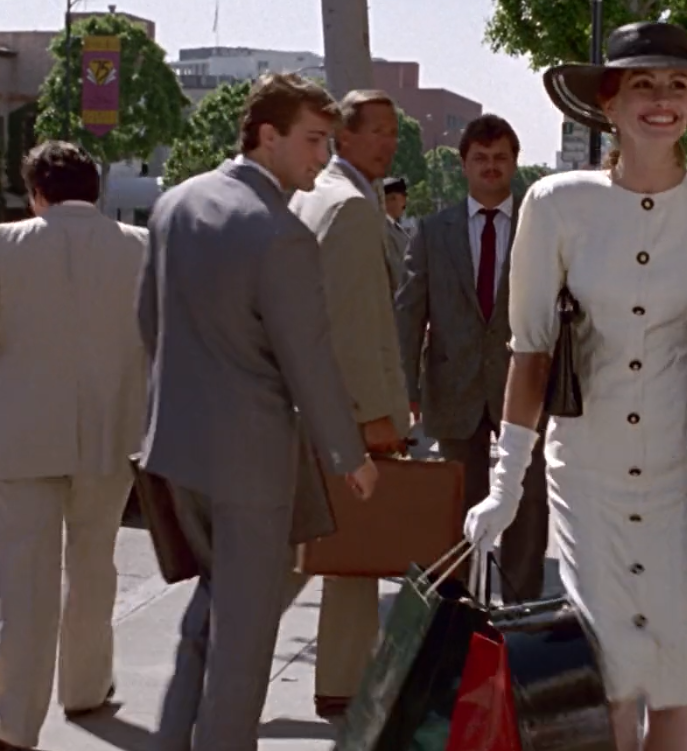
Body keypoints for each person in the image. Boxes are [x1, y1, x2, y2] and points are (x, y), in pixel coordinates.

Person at [460, 21, 687, 750]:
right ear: (608, 103)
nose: (662, 100)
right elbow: (532, 351)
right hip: (590, 476)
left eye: (677, 85)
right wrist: (506, 485)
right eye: (643, 84)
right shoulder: (555, 204)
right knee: (605, 680)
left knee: (677, 678)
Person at [139, 73, 377, 751]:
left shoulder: (174, 204)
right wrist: (349, 454)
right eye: (313, 140)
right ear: (267, 136)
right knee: (242, 642)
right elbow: (309, 357)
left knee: (209, 616)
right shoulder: (280, 232)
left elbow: (148, 322)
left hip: (174, 446)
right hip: (250, 461)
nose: (323, 157)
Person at [0, 142, 148, 751]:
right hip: (112, 432)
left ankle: (17, 724)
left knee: (25, 581)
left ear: (36, 193)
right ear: (96, 189)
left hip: (22, 436)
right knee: (95, 564)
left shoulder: (2, 245)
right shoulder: (140, 247)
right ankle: (86, 686)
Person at [287, 88, 410, 719]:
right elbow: (357, 325)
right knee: (341, 550)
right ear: (345, 135)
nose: (390, 142)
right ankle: (341, 682)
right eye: (378, 130)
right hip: (345, 410)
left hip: (309, 401)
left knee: (330, 549)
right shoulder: (353, 208)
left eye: (393, 131)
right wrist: (376, 414)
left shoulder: (314, 195)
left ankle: (343, 681)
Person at [396, 114, 549, 601]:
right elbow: (408, 314)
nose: (490, 166)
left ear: (514, 163)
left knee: (528, 502)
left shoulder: (540, 228)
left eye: (500, 157)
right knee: (458, 505)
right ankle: (460, 610)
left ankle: (521, 609)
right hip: (453, 386)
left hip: (524, 388)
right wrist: (405, 391)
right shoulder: (432, 231)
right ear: (463, 164)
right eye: (480, 158)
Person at [383, 175, 412, 289]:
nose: (404, 204)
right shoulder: (384, 229)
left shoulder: (395, 227)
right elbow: (397, 273)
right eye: (403, 198)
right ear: (392, 199)